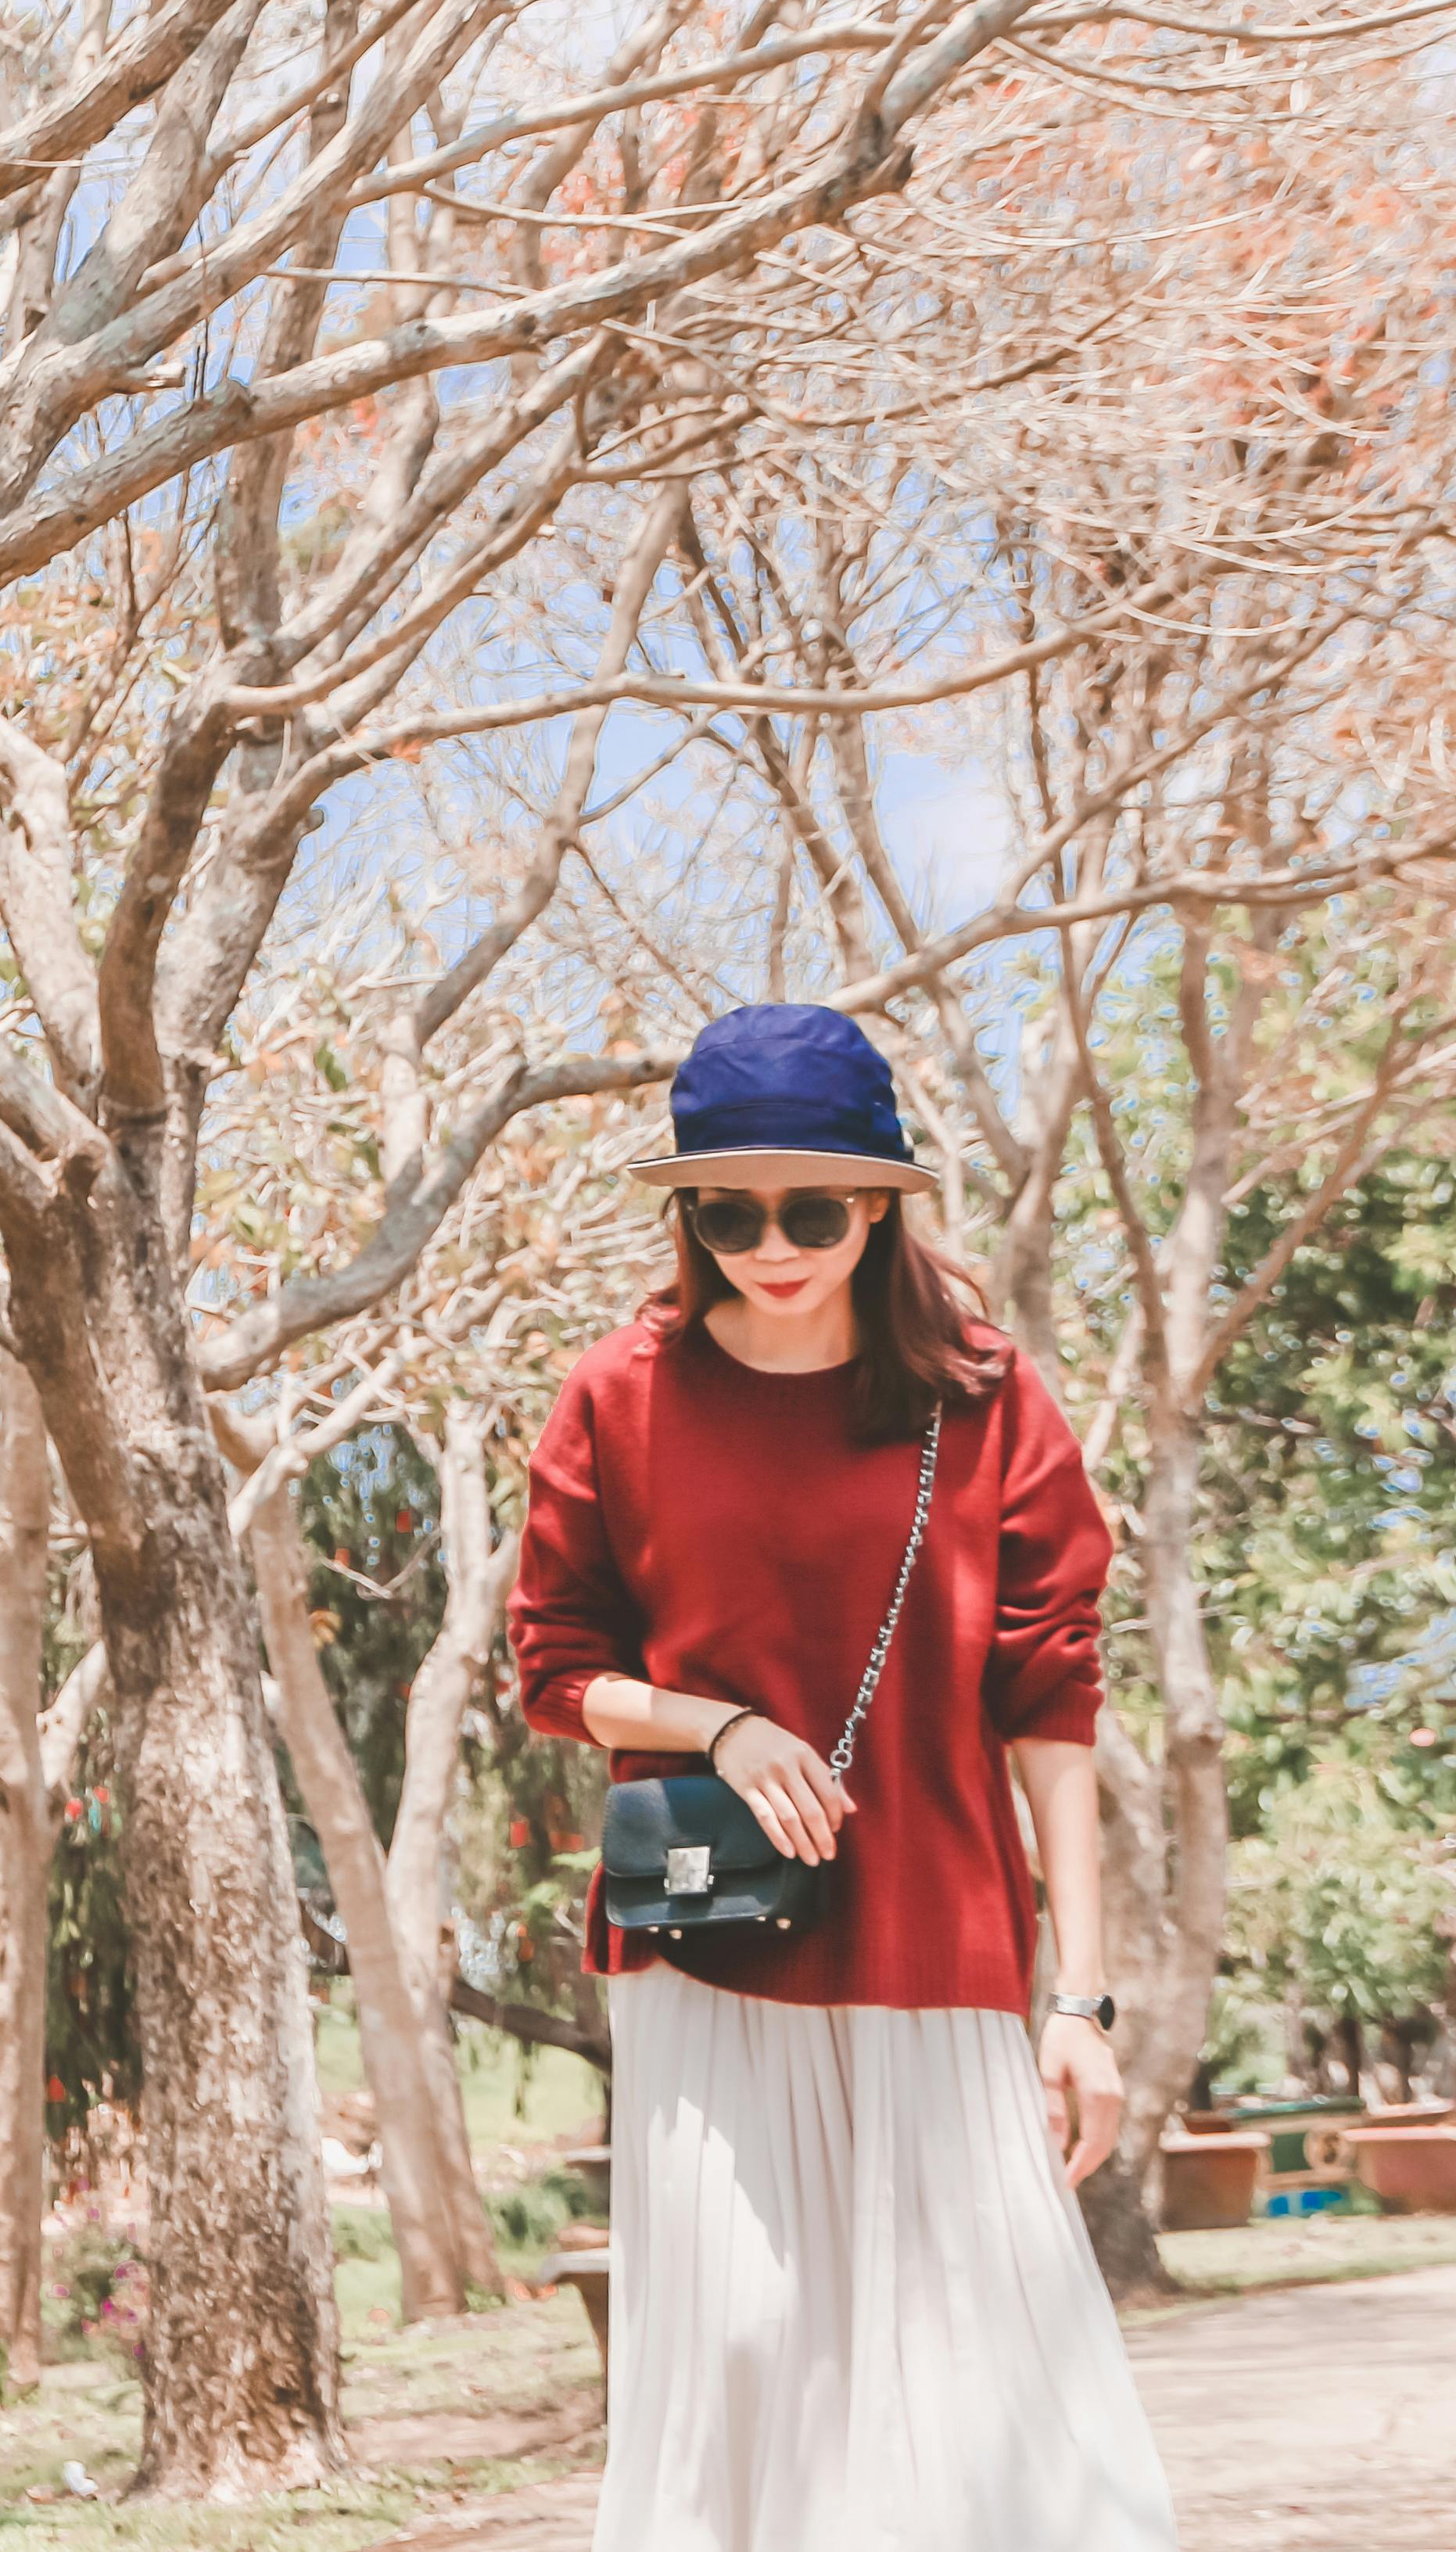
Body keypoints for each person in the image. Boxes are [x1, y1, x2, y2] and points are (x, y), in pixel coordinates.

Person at [511, 1003, 1176, 2551]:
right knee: (741, 2371)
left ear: (878, 1200)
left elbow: (1051, 1707)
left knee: (971, 2398)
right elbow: (553, 1669)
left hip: (929, 1959)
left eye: (808, 1204)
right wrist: (713, 1724)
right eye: (723, 1207)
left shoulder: (985, 1397)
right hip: (703, 1955)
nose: (767, 1243)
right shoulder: (615, 1396)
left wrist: (1076, 2002)